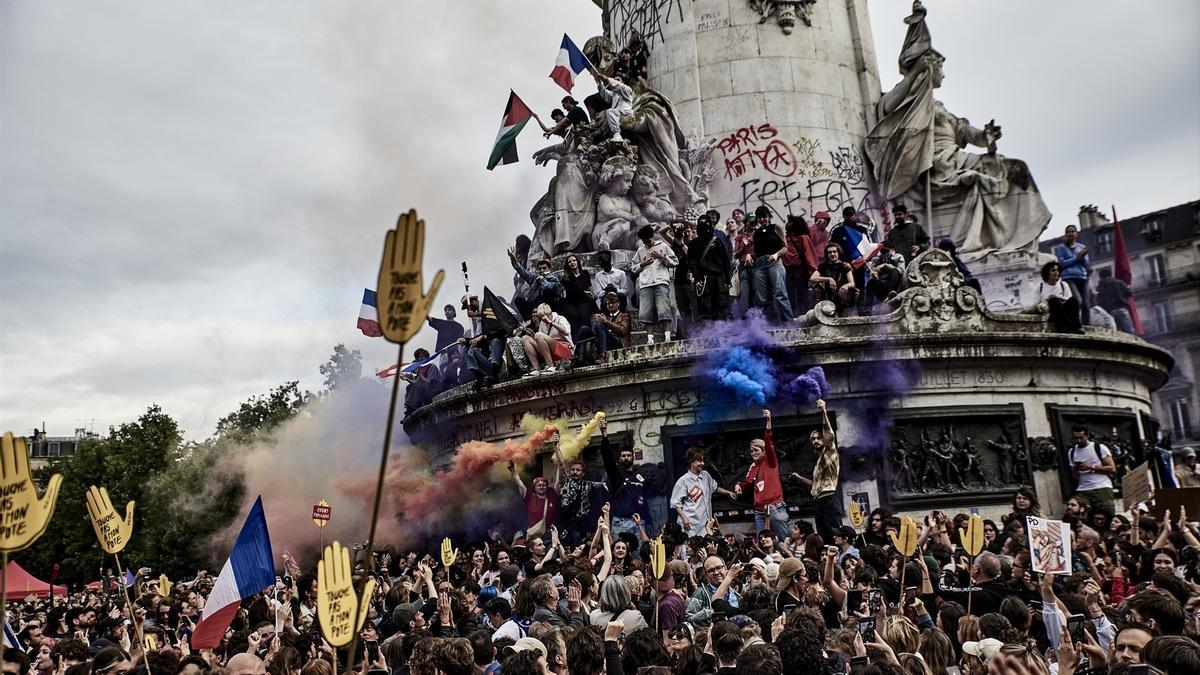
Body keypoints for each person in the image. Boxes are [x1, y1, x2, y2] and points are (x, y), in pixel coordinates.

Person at [787, 400, 842, 542]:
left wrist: (823, 411)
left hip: (829, 498)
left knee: (835, 534)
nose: (816, 441)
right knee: (824, 537)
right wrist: (799, 478)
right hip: (818, 501)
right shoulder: (818, 463)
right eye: (813, 439)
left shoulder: (830, 452)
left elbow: (829, 432)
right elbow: (815, 484)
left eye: (818, 438)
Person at [734, 409, 789, 540]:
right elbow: (747, 483)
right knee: (762, 542)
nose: (752, 453)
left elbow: (769, 442)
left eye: (756, 450)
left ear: (763, 451)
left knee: (782, 540)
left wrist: (768, 421)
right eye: (751, 451)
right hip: (759, 512)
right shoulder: (753, 466)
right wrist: (738, 485)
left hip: (775, 509)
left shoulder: (770, 461)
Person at [598, 417, 650, 553]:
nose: (626, 458)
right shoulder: (616, 476)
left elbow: (645, 500)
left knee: (640, 557)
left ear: (633, 457)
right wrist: (604, 435)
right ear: (619, 458)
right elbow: (608, 459)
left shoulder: (640, 476)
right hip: (620, 523)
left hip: (638, 523)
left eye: (628, 455)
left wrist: (646, 521)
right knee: (620, 556)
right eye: (623, 456)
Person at [670, 447, 737, 537]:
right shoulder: (683, 481)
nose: (703, 463)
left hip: (706, 524)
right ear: (691, 462)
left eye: (703, 461)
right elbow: (675, 503)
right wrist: (684, 517)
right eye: (699, 461)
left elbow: (715, 488)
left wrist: (728, 492)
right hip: (691, 524)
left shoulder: (706, 475)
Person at [631, 224, 678, 344]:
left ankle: (667, 336)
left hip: (661, 282)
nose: (646, 243)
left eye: (648, 240)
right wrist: (641, 265)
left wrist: (663, 257)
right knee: (646, 313)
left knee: (664, 310)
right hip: (645, 284)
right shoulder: (640, 251)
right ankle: (650, 339)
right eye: (644, 241)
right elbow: (633, 268)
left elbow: (675, 262)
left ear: (652, 237)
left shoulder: (663, 246)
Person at [750, 206, 793, 324]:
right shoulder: (756, 232)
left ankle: (789, 324)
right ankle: (771, 325)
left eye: (764, 216)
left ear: (769, 216)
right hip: (759, 265)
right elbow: (755, 251)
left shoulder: (775, 228)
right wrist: (750, 255)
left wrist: (776, 255)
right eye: (760, 217)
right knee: (763, 298)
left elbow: (785, 247)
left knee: (780, 294)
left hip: (774, 262)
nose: (762, 219)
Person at [688, 215, 733, 323]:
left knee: (720, 306)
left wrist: (727, 279)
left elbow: (726, 261)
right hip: (705, 279)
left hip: (717, 278)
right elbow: (692, 263)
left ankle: (721, 331)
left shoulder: (717, 241)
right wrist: (698, 278)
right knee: (706, 307)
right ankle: (709, 332)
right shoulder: (694, 243)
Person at [1067, 424, 1116, 515]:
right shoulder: (1072, 452)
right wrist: (1076, 469)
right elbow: (1074, 476)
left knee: (1105, 514)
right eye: (1076, 438)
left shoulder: (1099, 448)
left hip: (1101, 487)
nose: (1079, 440)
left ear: (1087, 436)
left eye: (1081, 437)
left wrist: (1091, 467)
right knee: (1080, 515)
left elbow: (1112, 468)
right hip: (1083, 489)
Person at [508, 250, 563, 320]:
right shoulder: (534, 278)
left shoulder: (555, 279)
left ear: (549, 269)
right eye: (540, 269)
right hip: (535, 305)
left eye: (544, 268)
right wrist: (513, 259)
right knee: (518, 300)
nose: (542, 270)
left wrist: (542, 280)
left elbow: (549, 287)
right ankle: (529, 320)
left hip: (549, 306)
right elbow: (521, 271)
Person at [1053, 224, 1091, 326]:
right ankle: (1075, 322)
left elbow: (1086, 263)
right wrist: (1077, 257)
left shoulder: (1081, 247)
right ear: (1065, 234)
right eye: (1068, 232)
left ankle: (1087, 325)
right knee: (1078, 300)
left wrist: (1082, 257)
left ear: (1076, 233)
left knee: (1086, 304)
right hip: (1069, 278)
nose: (1071, 233)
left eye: (1073, 231)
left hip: (1082, 277)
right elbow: (1062, 264)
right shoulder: (1060, 248)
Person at [781, 215, 819, 317]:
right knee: (790, 295)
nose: (787, 224)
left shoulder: (803, 238)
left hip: (799, 268)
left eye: (790, 222)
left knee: (802, 294)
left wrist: (813, 270)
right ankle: (792, 317)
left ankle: (803, 316)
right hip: (788, 270)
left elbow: (809, 254)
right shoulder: (785, 238)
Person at [809, 244, 857, 316]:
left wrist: (846, 286)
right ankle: (820, 312)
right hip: (827, 293)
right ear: (827, 254)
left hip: (841, 292)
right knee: (817, 287)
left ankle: (844, 313)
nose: (832, 254)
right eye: (830, 252)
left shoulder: (845, 265)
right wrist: (828, 279)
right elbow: (812, 278)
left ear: (838, 253)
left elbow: (852, 283)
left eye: (834, 252)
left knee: (849, 290)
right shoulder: (823, 266)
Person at [1037, 261, 1082, 333]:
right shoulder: (1040, 286)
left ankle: (1077, 327)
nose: (1056, 272)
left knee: (1073, 300)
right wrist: (1048, 300)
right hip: (1051, 312)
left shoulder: (1063, 285)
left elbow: (1069, 299)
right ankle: (1065, 326)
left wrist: (1059, 297)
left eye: (1057, 270)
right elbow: (1035, 302)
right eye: (1053, 270)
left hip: (1064, 310)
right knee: (1054, 301)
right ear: (1047, 273)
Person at [593, 71, 634, 142]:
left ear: (623, 82)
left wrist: (607, 79)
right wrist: (599, 82)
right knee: (608, 112)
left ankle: (617, 135)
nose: (615, 81)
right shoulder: (614, 94)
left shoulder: (627, 90)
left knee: (610, 111)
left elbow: (619, 86)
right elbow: (604, 94)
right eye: (614, 80)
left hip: (626, 113)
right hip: (617, 114)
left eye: (618, 80)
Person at [590, 291, 631, 360]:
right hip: (607, 342)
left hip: (619, 343)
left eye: (613, 302)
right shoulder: (607, 318)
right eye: (608, 303)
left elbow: (623, 331)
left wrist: (606, 323)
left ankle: (603, 356)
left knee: (599, 326)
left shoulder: (625, 316)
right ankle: (579, 356)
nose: (610, 305)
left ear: (618, 303)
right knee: (584, 328)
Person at [1095, 268, 1136, 334]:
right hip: (1122, 309)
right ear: (1111, 274)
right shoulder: (1119, 283)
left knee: (1117, 333)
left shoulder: (1099, 287)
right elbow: (1129, 293)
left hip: (1110, 312)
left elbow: (1099, 302)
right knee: (1129, 331)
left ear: (1101, 277)